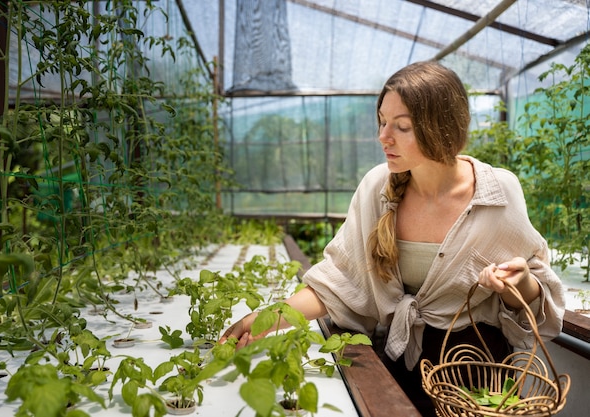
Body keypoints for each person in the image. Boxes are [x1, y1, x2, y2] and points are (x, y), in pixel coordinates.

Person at [219, 61, 565, 417]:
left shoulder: (496, 192)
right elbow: (337, 284)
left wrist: (520, 282)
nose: (384, 137)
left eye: (402, 126)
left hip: (479, 372)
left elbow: (537, 299)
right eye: (383, 122)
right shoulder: (377, 188)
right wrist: (261, 321)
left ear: (442, 128)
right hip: (401, 362)